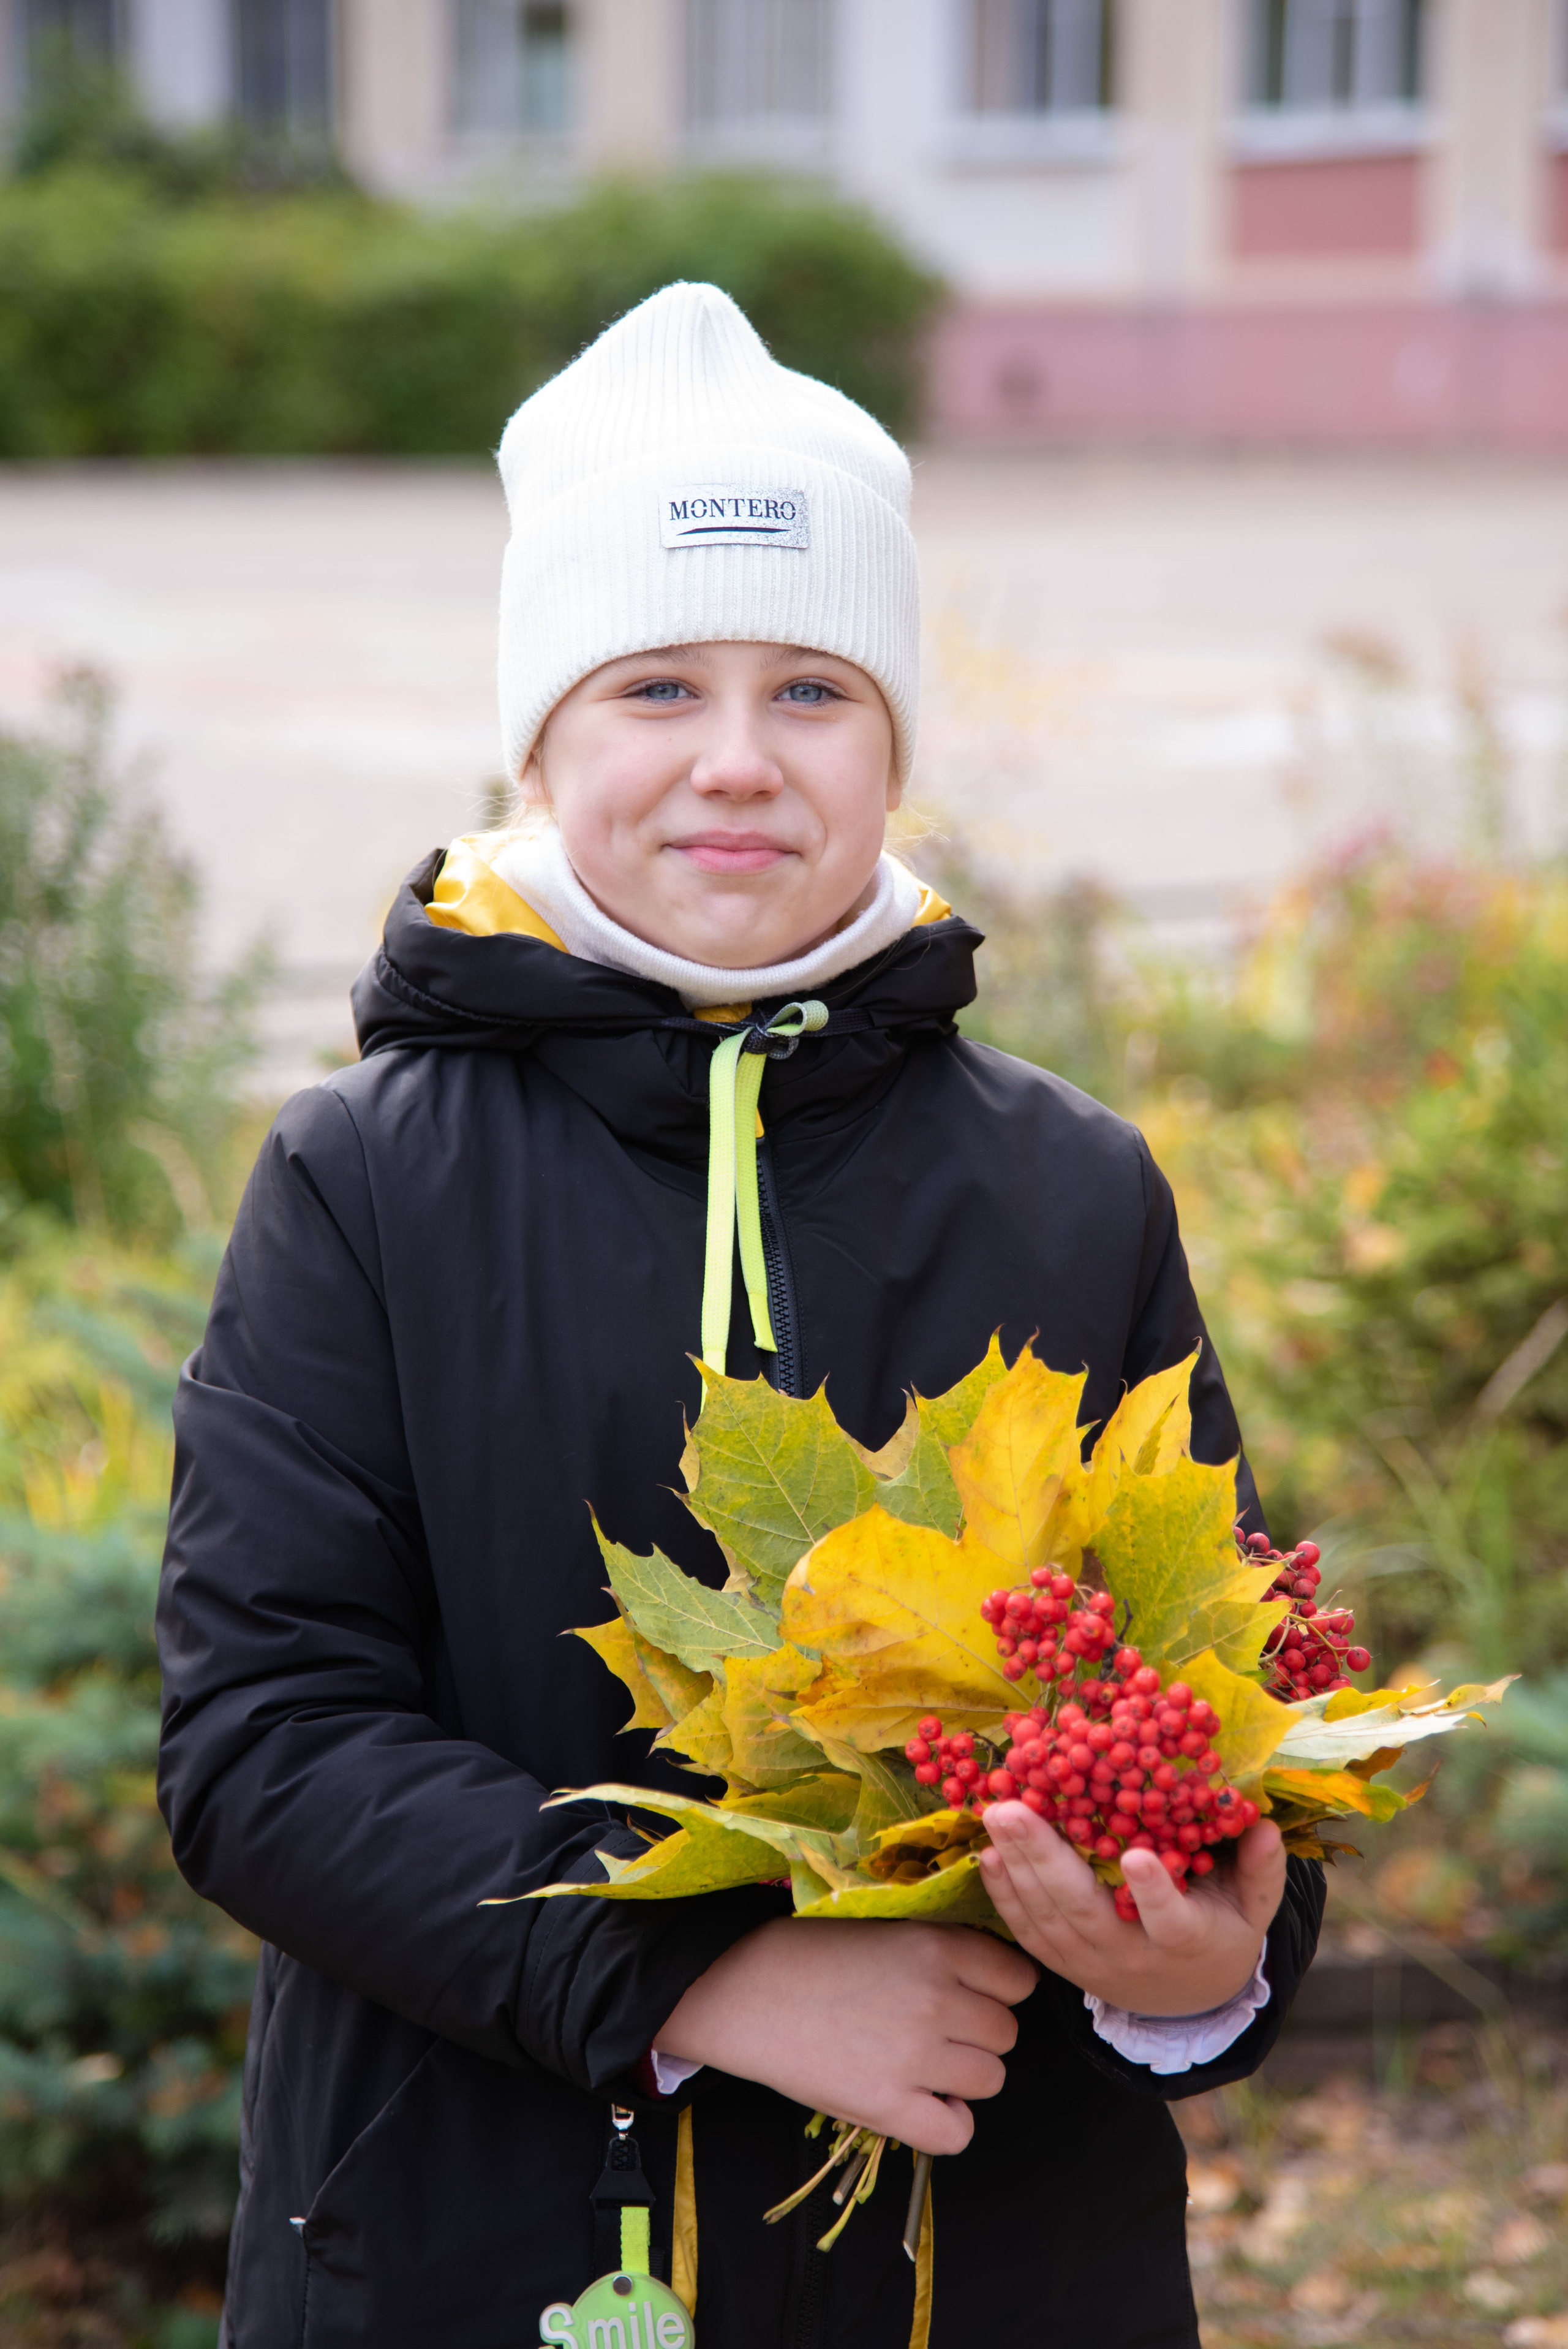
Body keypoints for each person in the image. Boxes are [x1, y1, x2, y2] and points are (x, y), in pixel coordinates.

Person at [156, 282, 1322, 2349]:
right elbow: (265, 1746)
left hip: (997, 2268)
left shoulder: (1072, 1189)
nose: (734, 763)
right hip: (471, 2255)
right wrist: (702, 1970)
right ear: (539, 737)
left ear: (894, 745)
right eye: (654, 687)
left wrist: (1200, 1962)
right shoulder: (364, 1183)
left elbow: (1212, 1690)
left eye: (811, 690)